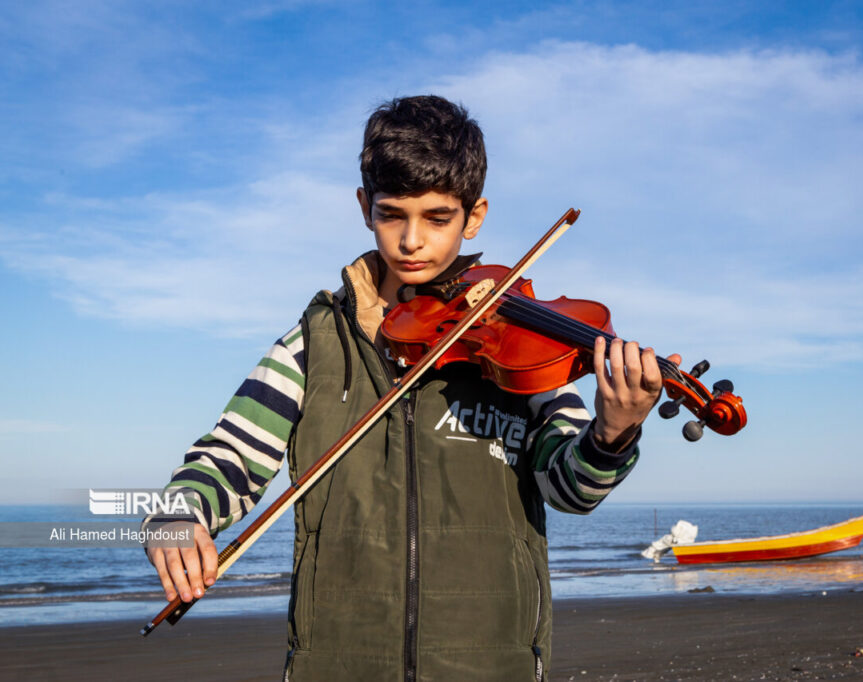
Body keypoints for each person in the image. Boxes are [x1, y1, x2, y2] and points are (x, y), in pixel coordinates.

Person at [147, 95, 668, 681]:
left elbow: (570, 489)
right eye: (392, 214)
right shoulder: (318, 340)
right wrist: (178, 515)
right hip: (338, 663)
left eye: (437, 218)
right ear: (365, 207)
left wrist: (613, 431)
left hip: (492, 664)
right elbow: (229, 455)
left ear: (474, 217)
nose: (411, 241)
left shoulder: (518, 340)